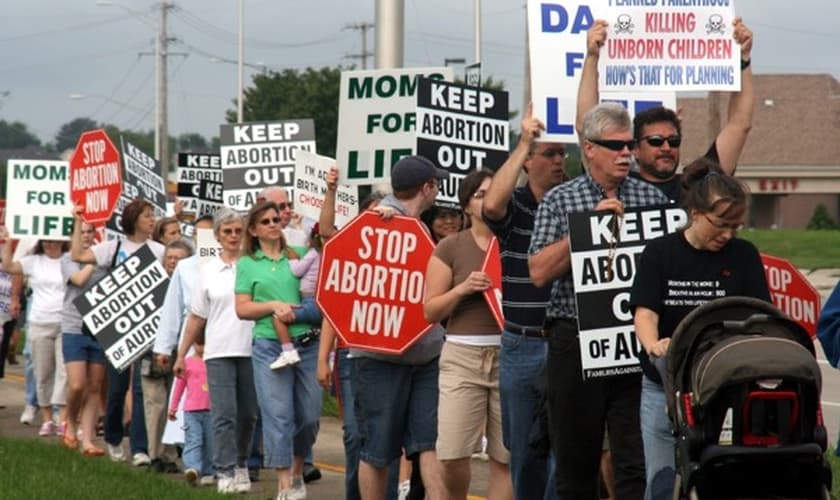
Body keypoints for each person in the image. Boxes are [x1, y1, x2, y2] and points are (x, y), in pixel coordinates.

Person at [528, 102, 669, 499]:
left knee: (635, 459)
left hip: (633, 340)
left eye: (629, 145)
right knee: (575, 460)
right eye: (615, 146)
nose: (626, 153)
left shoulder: (652, 198)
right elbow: (537, 272)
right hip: (574, 338)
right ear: (589, 149)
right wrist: (587, 231)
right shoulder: (560, 200)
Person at [630, 158, 770, 499]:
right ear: (695, 213)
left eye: (735, 227)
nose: (727, 235)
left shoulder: (744, 255)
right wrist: (653, 345)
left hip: (724, 384)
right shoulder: (659, 252)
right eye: (721, 224)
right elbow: (645, 313)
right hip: (665, 383)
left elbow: (760, 315)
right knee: (662, 482)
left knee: (716, 477)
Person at [481, 102, 567, 500]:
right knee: (523, 446)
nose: (559, 160)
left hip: (564, 340)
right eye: (549, 153)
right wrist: (523, 141)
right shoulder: (516, 206)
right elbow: (491, 206)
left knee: (561, 447)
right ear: (528, 162)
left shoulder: (574, 203)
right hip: (522, 341)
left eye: (562, 153)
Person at [352, 155, 449, 500]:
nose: (438, 188)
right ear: (427, 187)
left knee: (430, 444)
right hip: (380, 360)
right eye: (436, 183)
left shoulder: (421, 226)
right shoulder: (378, 218)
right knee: (377, 451)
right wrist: (375, 224)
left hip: (426, 356)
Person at [577, 18, 755, 202]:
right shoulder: (615, 183)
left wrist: (743, 59)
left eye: (674, 141)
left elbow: (739, 125)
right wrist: (592, 57)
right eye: (655, 141)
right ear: (635, 148)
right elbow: (586, 125)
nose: (666, 147)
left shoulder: (698, 184)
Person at [423, 169, 512, 500]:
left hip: (509, 355)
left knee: (506, 456)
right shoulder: (450, 247)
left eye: (495, 192)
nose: (489, 199)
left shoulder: (515, 241)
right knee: (452, 454)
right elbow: (430, 310)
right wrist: (462, 289)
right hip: (462, 357)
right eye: (480, 195)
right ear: (466, 205)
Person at [235, 201, 322, 500]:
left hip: (307, 343)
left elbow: (315, 296)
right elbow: (242, 308)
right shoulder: (247, 263)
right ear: (254, 230)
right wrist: (272, 306)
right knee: (278, 415)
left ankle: (298, 469)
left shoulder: (295, 257)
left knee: (309, 416)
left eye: (276, 219)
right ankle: (284, 485)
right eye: (266, 221)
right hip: (269, 346)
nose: (274, 224)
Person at [71, 198, 164, 467]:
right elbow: (78, 256)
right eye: (148, 215)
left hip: (147, 327)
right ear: (135, 219)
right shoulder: (114, 248)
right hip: (119, 328)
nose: (152, 220)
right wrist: (78, 221)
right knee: (116, 389)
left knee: (140, 389)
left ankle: (139, 448)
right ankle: (113, 437)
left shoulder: (158, 250)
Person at [175, 207, 257, 494]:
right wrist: (181, 353)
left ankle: (242, 464)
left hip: (251, 348)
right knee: (223, 414)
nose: (233, 236)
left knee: (248, 414)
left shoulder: (253, 265)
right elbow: (196, 316)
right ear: (218, 236)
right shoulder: (208, 271)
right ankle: (224, 470)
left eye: (238, 230)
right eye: (227, 231)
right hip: (219, 350)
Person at [1, 235, 68, 438]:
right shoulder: (34, 261)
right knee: (42, 372)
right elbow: (8, 266)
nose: (50, 243)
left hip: (65, 322)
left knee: (64, 373)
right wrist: (7, 242)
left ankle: (62, 418)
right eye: (46, 240)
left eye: (54, 239)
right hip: (40, 321)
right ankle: (47, 418)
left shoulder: (69, 260)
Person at [60, 221, 108, 456]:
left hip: (98, 329)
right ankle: (70, 421)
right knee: (77, 383)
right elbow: (78, 280)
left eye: (91, 232)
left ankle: (88, 440)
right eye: (82, 232)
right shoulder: (68, 259)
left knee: (94, 386)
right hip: (74, 327)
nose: (87, 236)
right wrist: (95, 259)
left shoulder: (103, 260)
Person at [170, 332, 213, 486]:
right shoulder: (187, 363)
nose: (201, 347)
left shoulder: (213, 363)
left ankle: (208, 471)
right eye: (198, 343)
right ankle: (192, 468)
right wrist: (173, 407)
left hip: (211, 410)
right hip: (192, 410)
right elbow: (179, 387)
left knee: (210, 442)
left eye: (204, 343)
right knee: (194, 440)